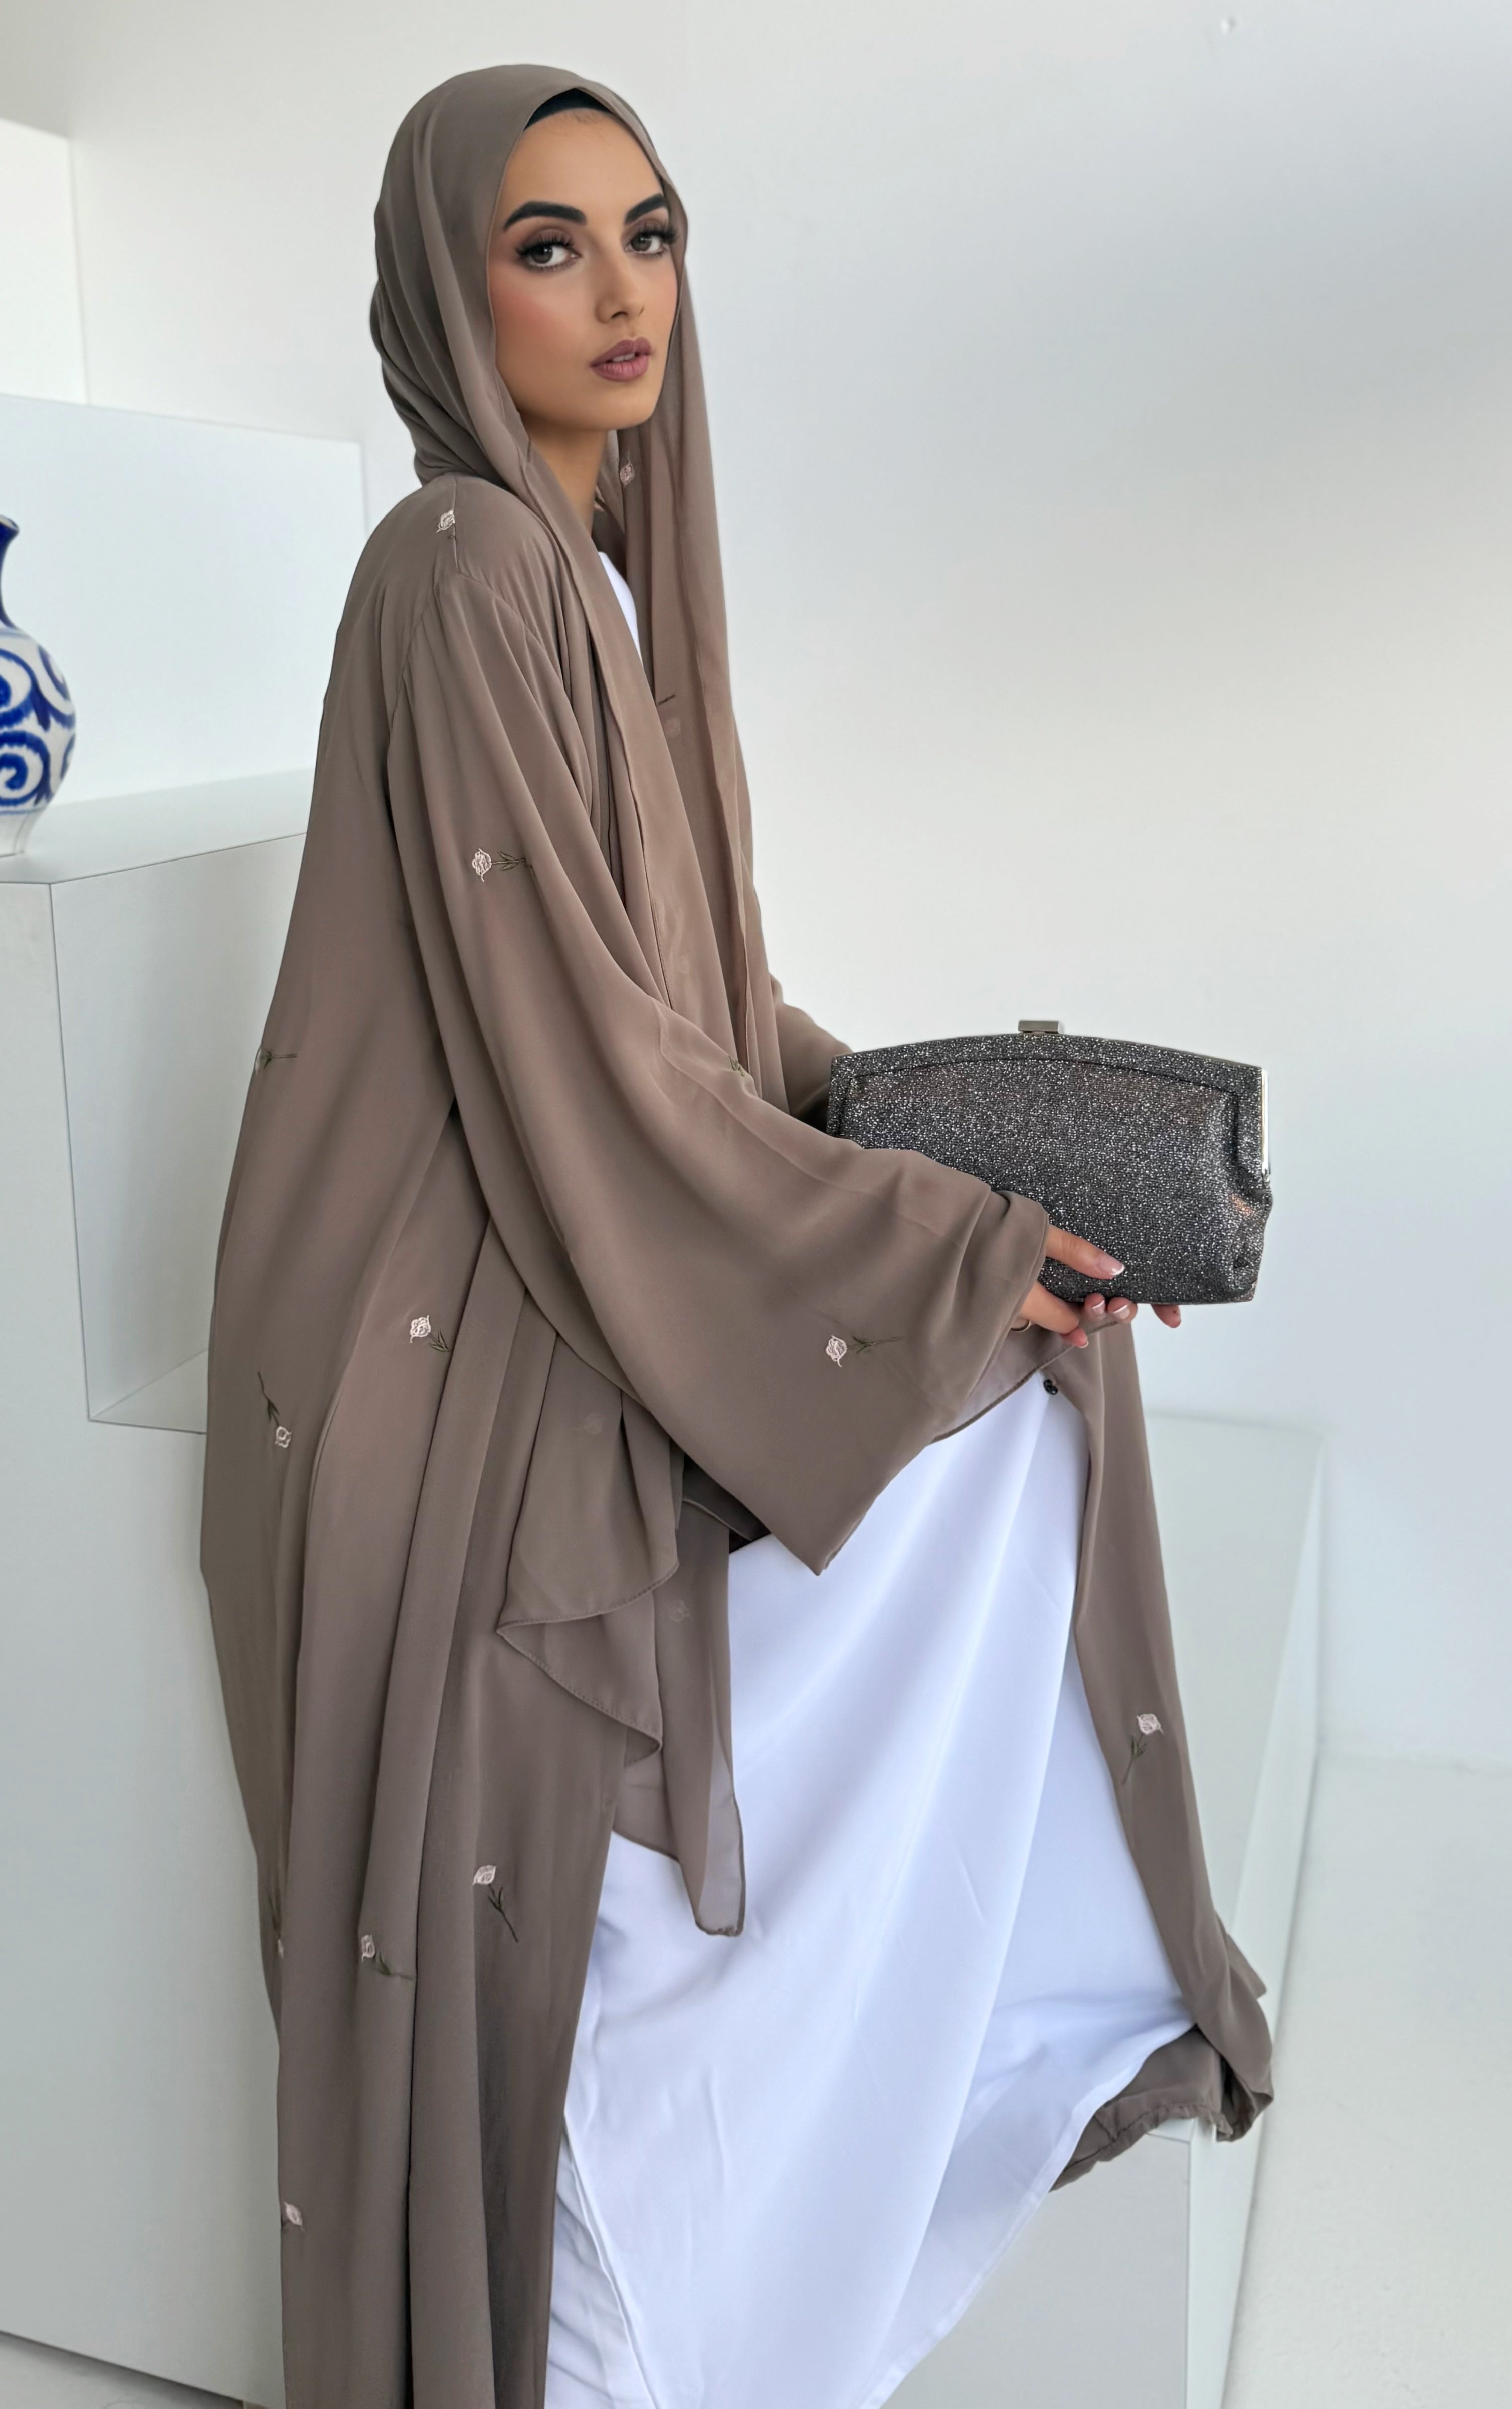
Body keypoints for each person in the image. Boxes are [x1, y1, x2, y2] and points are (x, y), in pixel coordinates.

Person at [200, 64, 1272, 2409]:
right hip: (441, 1297)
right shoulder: (462, 565)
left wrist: (980, 1200)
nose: (622, 293)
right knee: (967, 1419)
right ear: (445, 290)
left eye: (652, 235)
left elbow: (704, 1012)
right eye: (549, 245)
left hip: (566, 1191)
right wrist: (928, 1249)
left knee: (1020, 1384)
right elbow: (585, 1055)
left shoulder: (596, 575)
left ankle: (819, 2146)